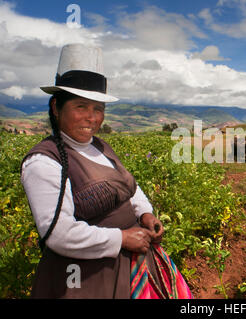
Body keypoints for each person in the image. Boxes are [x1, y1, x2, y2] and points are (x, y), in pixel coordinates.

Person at [21, 44, 192, 299]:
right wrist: (120, 239)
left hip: (135, 261)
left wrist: (145, 214)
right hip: (86, 278)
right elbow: (58, 233)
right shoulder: (44, 161)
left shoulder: (101, 147)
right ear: (56, 107)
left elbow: (129, 188)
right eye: (81, 106)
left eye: (98, 108)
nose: (92, 117)